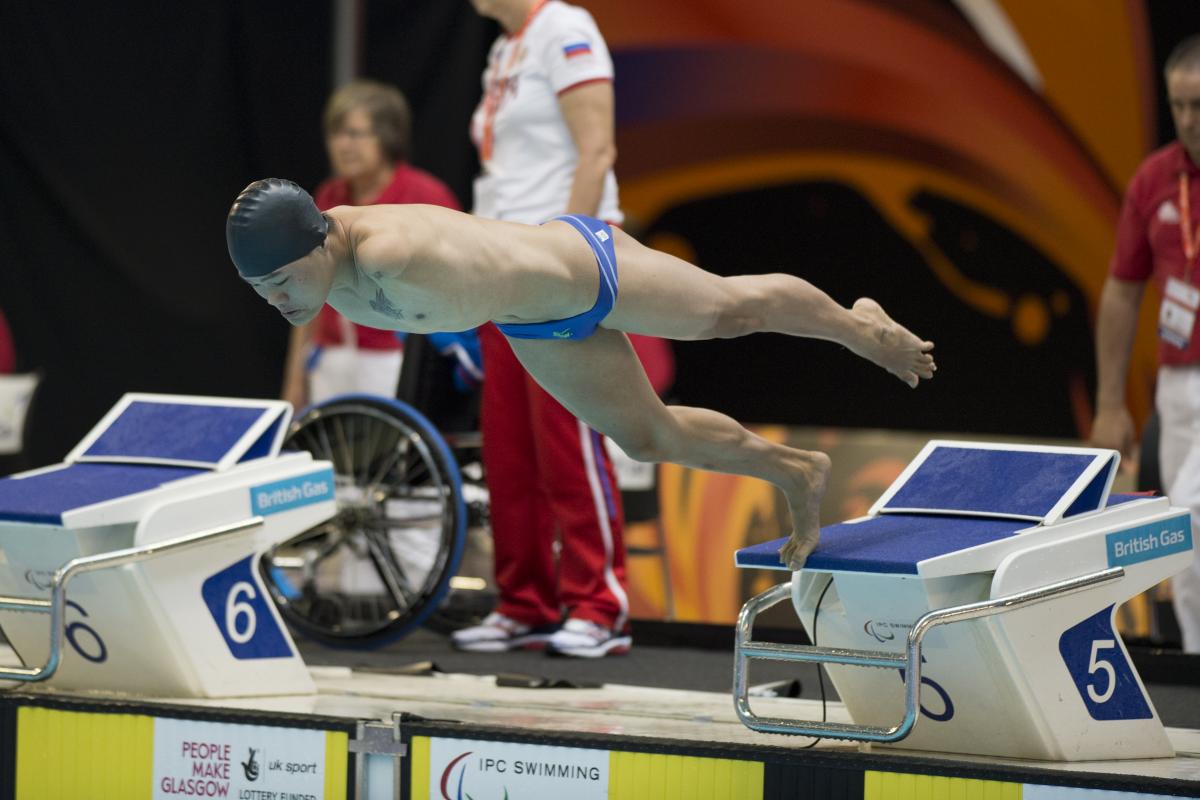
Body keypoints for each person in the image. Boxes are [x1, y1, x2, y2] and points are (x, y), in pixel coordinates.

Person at [226, 180, 936, 579]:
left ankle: (857, 325)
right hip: (534, 325)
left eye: (282, 282)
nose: (277, 301)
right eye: (260, 291)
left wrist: (461, 331)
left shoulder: (389, 250)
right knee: (648, 437)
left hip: (585, 267)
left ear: (321, 240)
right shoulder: (318, 274)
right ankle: (794, 471)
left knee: (729, 311)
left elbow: (462, 265)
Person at [455, 0, 639, 658]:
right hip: (502, 269)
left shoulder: (565, 27)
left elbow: (597, 151)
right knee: (509, 451)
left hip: (556, 264)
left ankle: (599, 603)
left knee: (568, 440)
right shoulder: (504, 49)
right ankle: (525, 601)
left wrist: (569, 257)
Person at [1090, 35, 1200, 654]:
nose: (1190, 119)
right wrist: (1109, 402)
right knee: (1190, 534)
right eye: (1180, 105)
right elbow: (1122, 292)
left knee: (1188, 516)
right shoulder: (1155, 179)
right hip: (1177, 386)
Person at [281, 80, 460, 410]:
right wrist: (293, 382)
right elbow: (303, 289)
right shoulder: (328, 197)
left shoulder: (426, 195)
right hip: (332, 359)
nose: (344, 145)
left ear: (387, 137)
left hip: (396, 358)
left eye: (355, 133)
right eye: (336, 134)